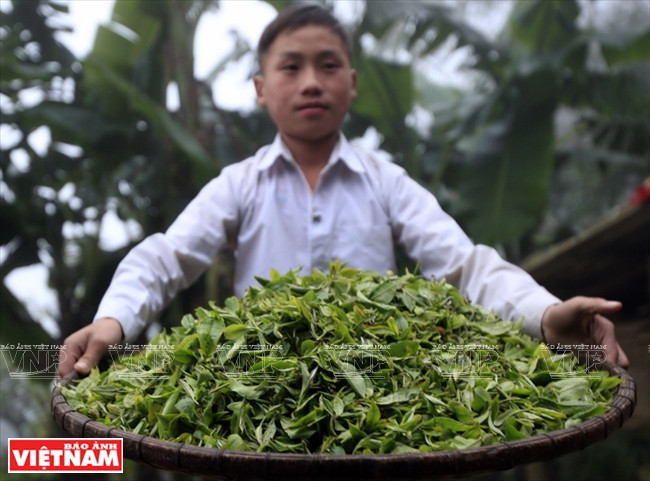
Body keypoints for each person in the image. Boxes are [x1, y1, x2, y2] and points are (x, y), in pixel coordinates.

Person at [57, 4, 628, 379]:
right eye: (291, 67)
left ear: (352, 84)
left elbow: (463, 265)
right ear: (261, 88)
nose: (310, 81)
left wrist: (546, 314)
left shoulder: (386, 183)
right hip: (261, 384)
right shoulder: (241, 184)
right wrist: (114, 321)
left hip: (373, 390)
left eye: (328, 65)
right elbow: (166, 256)